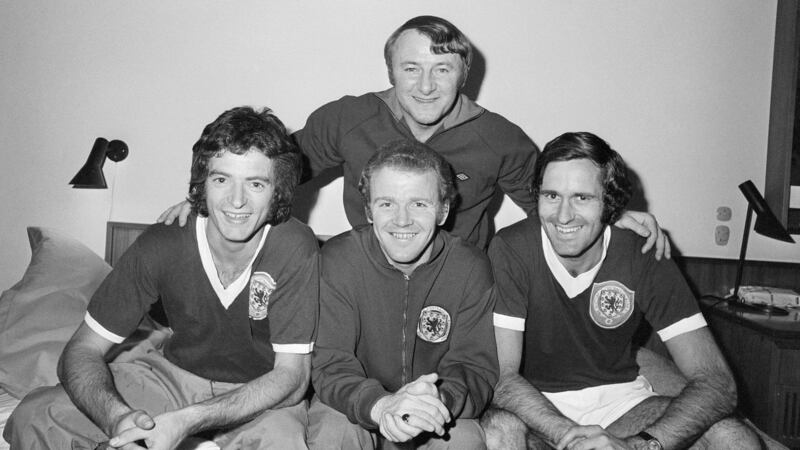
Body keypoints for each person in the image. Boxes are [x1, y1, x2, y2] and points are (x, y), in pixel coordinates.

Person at [158, 15, 669, 257]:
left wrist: (615, 211)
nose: (425, 87)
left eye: (442, 70)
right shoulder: (348, 118)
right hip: (362, 275)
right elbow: (268, 168)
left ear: (463, 74)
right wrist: (199, 201)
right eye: (411, 69)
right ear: (390, 71)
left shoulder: (498, 138)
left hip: (459, 280)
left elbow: (552, 201)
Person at [5, 106, 320, 449]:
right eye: (221, 179)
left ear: (278, 191)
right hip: (173, 377)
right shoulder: (163, 242)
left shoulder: (294, 246)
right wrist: (118, 419)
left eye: (256, 183)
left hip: (259, 395)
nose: (236, 201)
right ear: (203, 184)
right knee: (35, 414)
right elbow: (81, 350)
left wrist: (188, 421)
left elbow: (292, 378)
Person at [481, 132, 761, 449]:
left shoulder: (643, 252)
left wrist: (637, 445)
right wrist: (569, 436)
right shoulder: (512, 248)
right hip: (536, 407)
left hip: (619, 403)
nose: (563, 215)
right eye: (552, 196)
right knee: (499, 432)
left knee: (735, 437)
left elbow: (717, 383)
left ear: (609, 203)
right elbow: (503, 379)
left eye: (582, 198)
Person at [308, 140, 497, 449]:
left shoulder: (470, 267)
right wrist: (381, 406)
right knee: (334, 430)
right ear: (369, 210)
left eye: (419, 204)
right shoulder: (338, 260)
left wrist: (435, 401)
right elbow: (331, 362)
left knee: (461, 440)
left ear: (443, 210)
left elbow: (475, 368)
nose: (402, 220)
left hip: (434, 410)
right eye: (387, 204)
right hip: (359, 405)